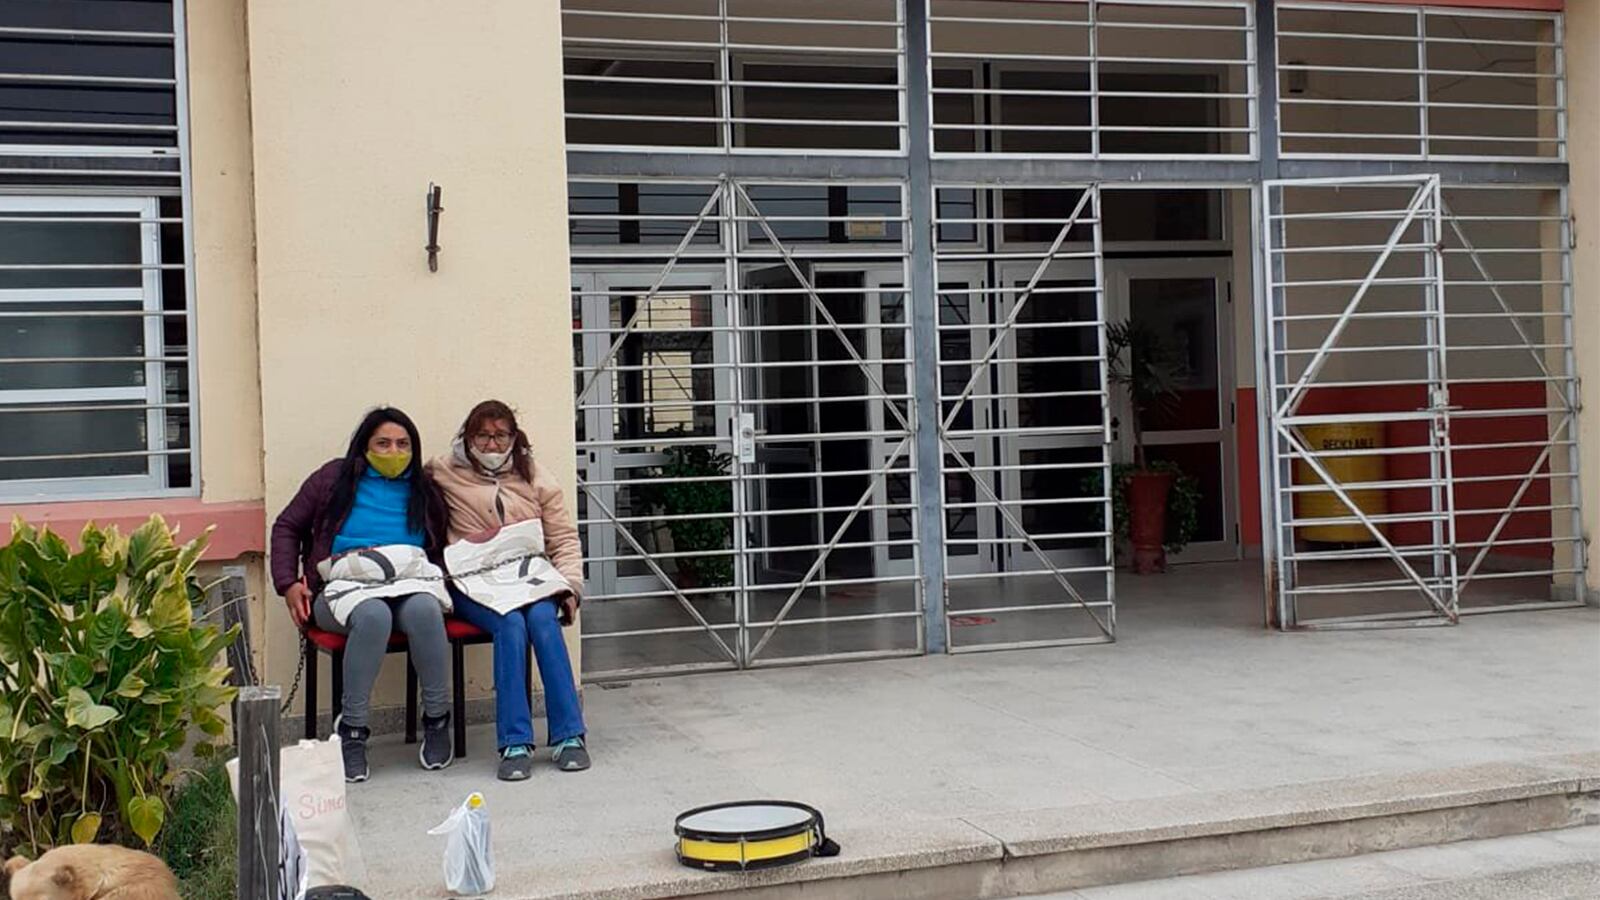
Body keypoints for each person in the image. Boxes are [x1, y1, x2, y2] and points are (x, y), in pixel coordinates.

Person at [271, 407, 454, 782]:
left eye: (403, 444)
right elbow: (286, 526)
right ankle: (352, 731)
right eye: (383, 443)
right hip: (343, 586)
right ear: (364, 446)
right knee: (373, 616)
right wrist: (288, 583)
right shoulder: (332, 479)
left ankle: (437, 720)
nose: (394, 452)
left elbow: (438, 547)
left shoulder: (425, 489)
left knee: (425, 610)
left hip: (409, 582)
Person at [428, 399, 590, 781]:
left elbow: (563, 538)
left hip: (528, 576)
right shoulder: (443, 470)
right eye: (482, 436)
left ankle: (569, 735)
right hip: (474, 582)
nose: (491, 445)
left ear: (514, 438)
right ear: (467, 437)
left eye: (500, 436)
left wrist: (570, 586)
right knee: (511, 624)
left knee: (543, 620)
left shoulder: (534, 475)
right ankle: (514, 742)